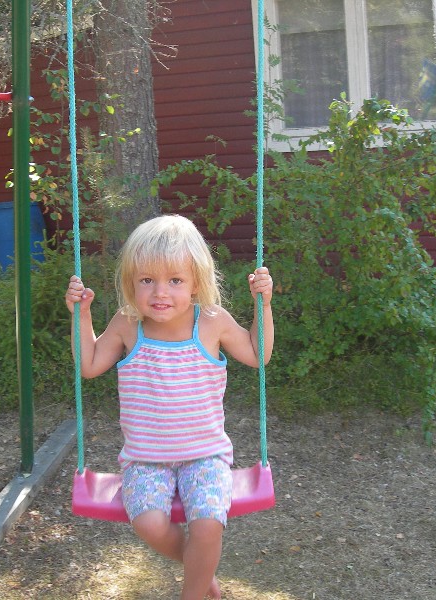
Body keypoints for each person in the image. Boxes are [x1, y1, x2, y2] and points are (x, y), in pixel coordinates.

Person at [65, 214, 274, 600]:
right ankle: (201, 569)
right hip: (146, 459)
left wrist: (263, 305)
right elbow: (90, 365)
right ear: (131, 283)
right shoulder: (129, 323)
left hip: (206, 456)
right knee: (147, 523)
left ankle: (192, 593)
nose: (160, 292)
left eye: (175, 280)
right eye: (147, 280)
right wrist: (82, 314)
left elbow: (258, 355)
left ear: (196, 282)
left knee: (209, 525)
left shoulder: (211, 322)